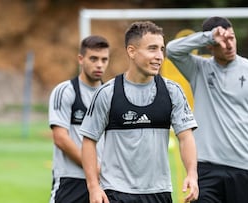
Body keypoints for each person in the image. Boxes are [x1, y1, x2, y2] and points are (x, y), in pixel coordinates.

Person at [80, 21, 199, 203]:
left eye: (161, 49)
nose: (159, 56)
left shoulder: (172, 91)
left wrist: (192, 174)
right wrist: (93, 187)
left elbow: (186, 137)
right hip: (115, 191)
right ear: (132, 51)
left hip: (159, 192)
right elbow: (89, 141)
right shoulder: (107, 93)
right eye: (152, 49)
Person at [166, 16, 248, 203]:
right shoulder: (198, 69)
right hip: (204, 167)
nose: (229, 45)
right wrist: (209, 36)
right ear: (210, 46)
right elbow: (172, 50)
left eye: (232, 38)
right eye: (222, 41)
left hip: (243, 168)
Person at [48, 35, 110, 203]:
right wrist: (93, 168)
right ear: (81, 59)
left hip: (104, 182)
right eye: (94, 59)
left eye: (104, 60)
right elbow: (60, 138)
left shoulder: (110, 94)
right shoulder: (65, 91)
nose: (99, 64)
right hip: (71, 179)